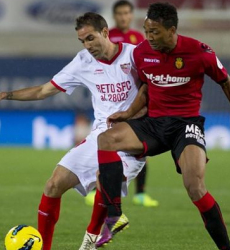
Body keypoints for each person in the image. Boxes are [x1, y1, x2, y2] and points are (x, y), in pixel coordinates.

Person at [94, 3, 230, 249]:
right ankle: (115, 215)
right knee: (105, 140)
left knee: (195, 187)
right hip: (154, 124)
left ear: (172, 30)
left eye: (155, 32)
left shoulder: (200, 52)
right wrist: (128, 112)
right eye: (147, 31)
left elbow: (227, 83)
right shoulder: (141, 53)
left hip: (186, 125)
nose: (149, 37)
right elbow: (147, 87)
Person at [0, 12, 146, 250]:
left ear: (105, 32)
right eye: (82, 41)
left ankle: (90, 242)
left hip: (131, 140)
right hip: (100, 136)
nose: (87, 45)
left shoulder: (135, 55)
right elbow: (45, 90)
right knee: (53, 184)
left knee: (104, 177)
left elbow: (155, 87)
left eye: (91, 38)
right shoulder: (83, 61)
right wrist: (5, 95)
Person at [84, 0, 158, 208]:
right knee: (101, 146)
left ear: (132, 15)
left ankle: (140, 193)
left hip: (132, 104)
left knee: (139, 150)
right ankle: (94, 188)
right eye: (120, 13)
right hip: (110, 104)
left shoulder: (139, 39)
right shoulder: (107, 37)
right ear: (115, 16)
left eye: (127, 13)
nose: (124, 17)